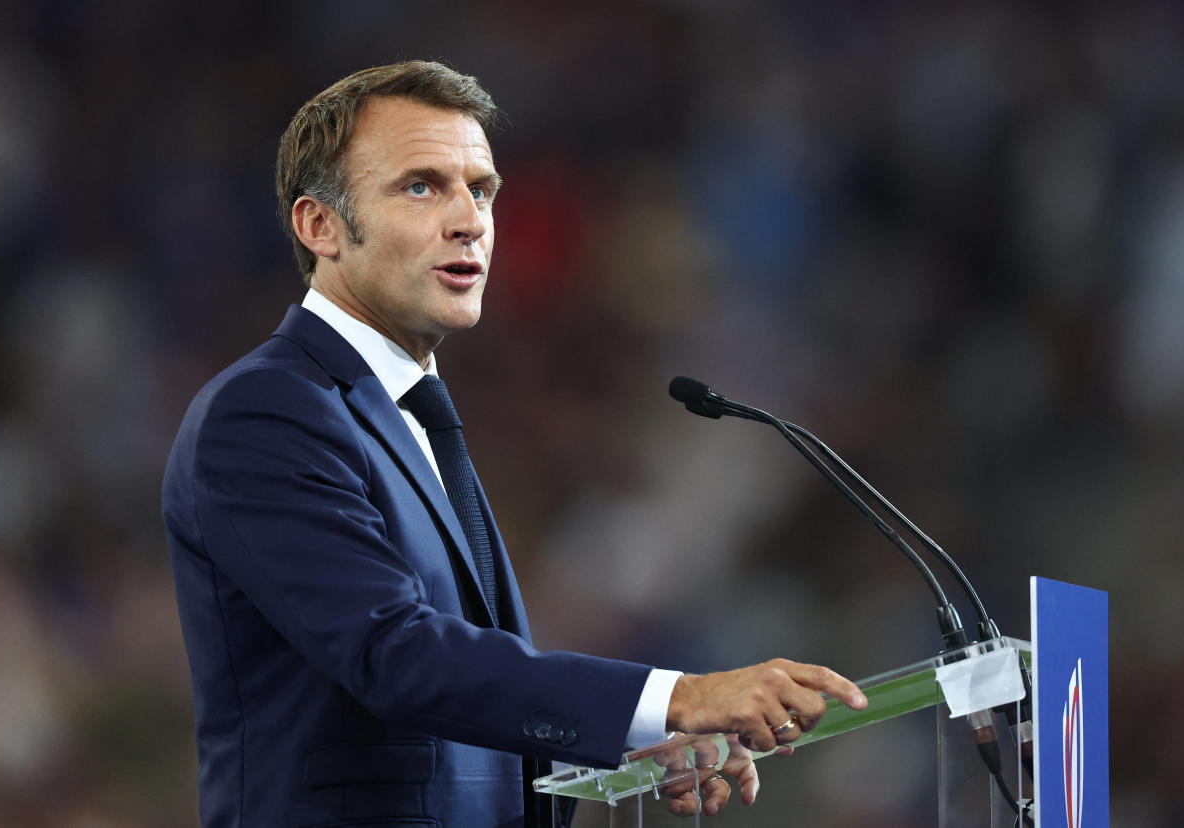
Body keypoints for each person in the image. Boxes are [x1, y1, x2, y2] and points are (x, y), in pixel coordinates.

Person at [162, 60, 866, 828]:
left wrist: (620, 740)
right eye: (422, 186)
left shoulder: (409, 415)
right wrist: (678, 697)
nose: (469, 219)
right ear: (319, 226)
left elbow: (440, 714)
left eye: (483, 188)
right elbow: (393, 657)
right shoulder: (267, 411)